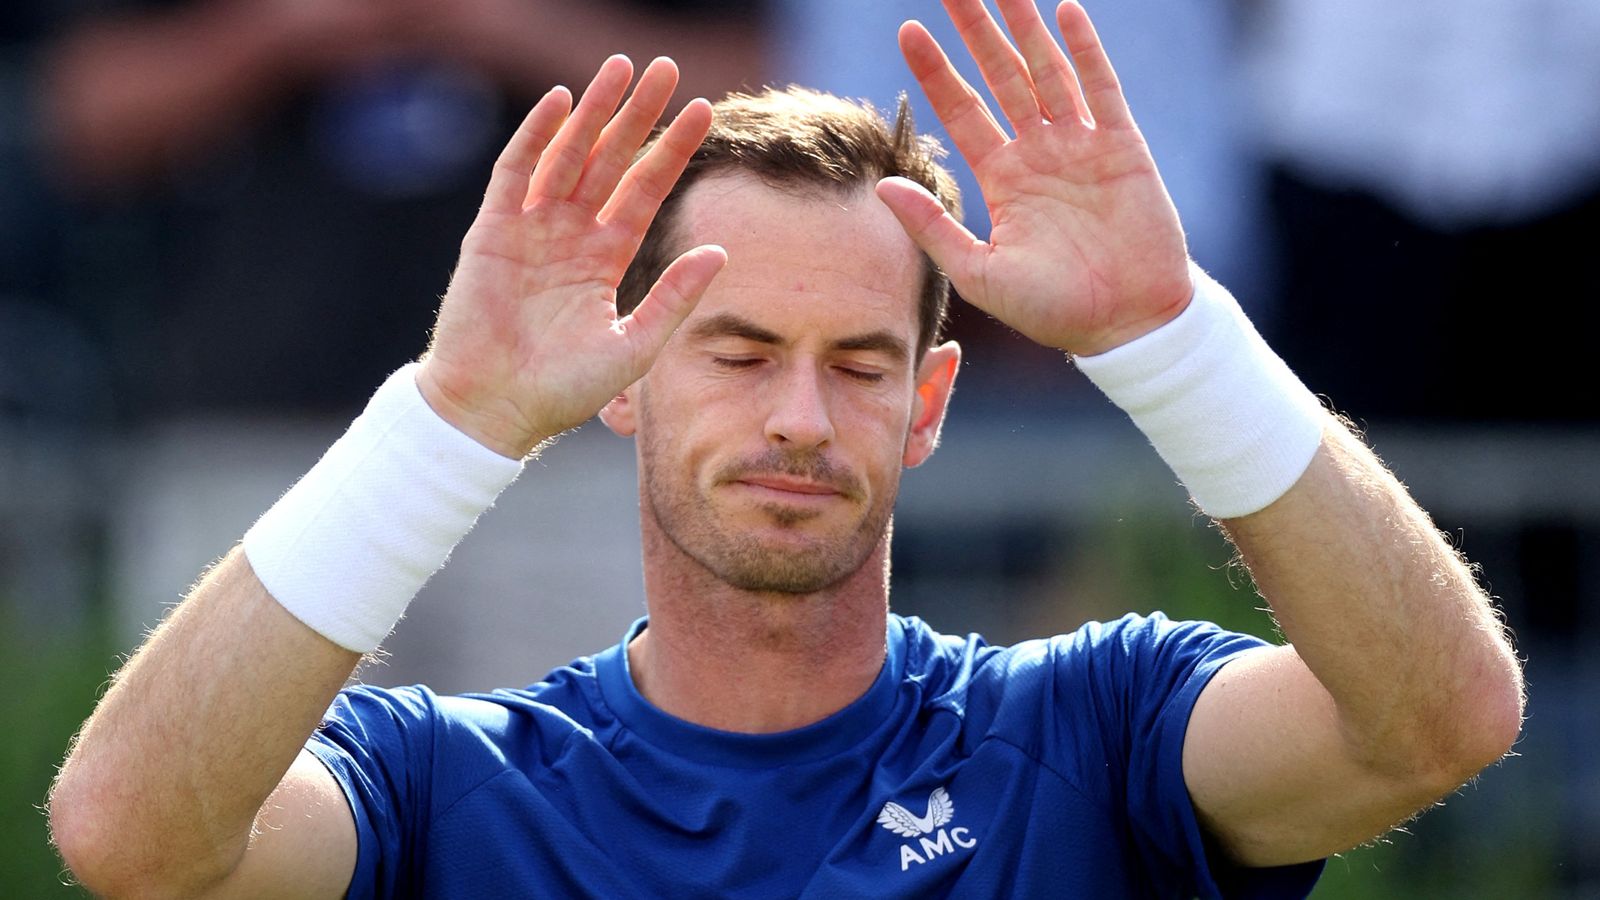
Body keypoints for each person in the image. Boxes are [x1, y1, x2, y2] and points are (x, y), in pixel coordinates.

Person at [48, 1, 1523, 896]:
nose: (799, 419)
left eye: (859, 363)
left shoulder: (1095, 730)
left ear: (929, 404)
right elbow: (130, 840)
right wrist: (451, 417)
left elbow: (1440, 719)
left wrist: (1170, 336)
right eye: (740, 352)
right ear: (624, 380)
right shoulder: (449, 783)